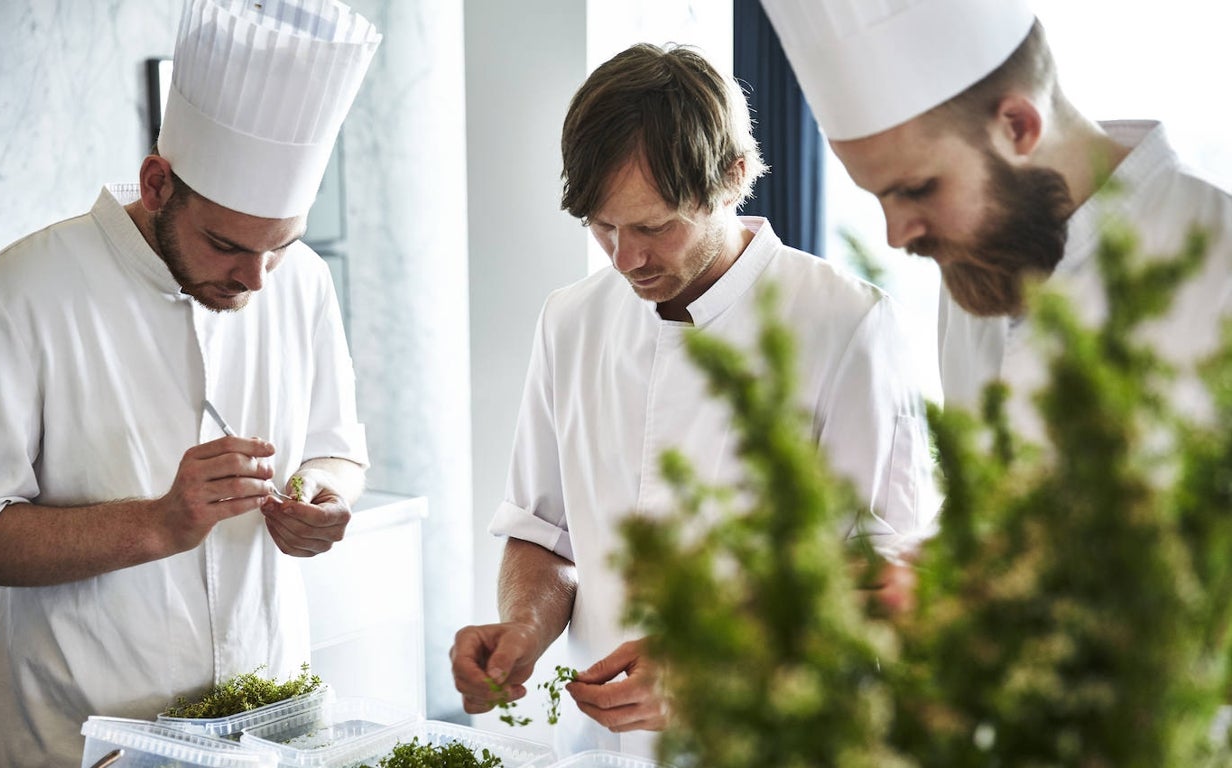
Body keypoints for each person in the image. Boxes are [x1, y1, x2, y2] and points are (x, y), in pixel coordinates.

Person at [450, 43, 939, 758]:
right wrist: (524, 626)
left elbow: (881, 577)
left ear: (735, 177)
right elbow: (542, 530)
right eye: (602, 225)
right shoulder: (570, 319)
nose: (625, 259)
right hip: (602, 744)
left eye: (653, 226)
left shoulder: (846, 325)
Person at [0, 1, 381, 765]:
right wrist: (161, 522)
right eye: (229, 244)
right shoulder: (24, 290)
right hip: (77, 740)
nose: (257, 280)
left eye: (281, 246)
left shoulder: (297, 282)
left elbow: (340, 452)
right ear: (157, 182)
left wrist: (325, 499)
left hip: (268, 727)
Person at [762, 0, 1232, 431]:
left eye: (918, 189)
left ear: (1018, 126)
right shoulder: (977, 258)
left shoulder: (1219, 259)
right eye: (878, 197)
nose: (896, 235)